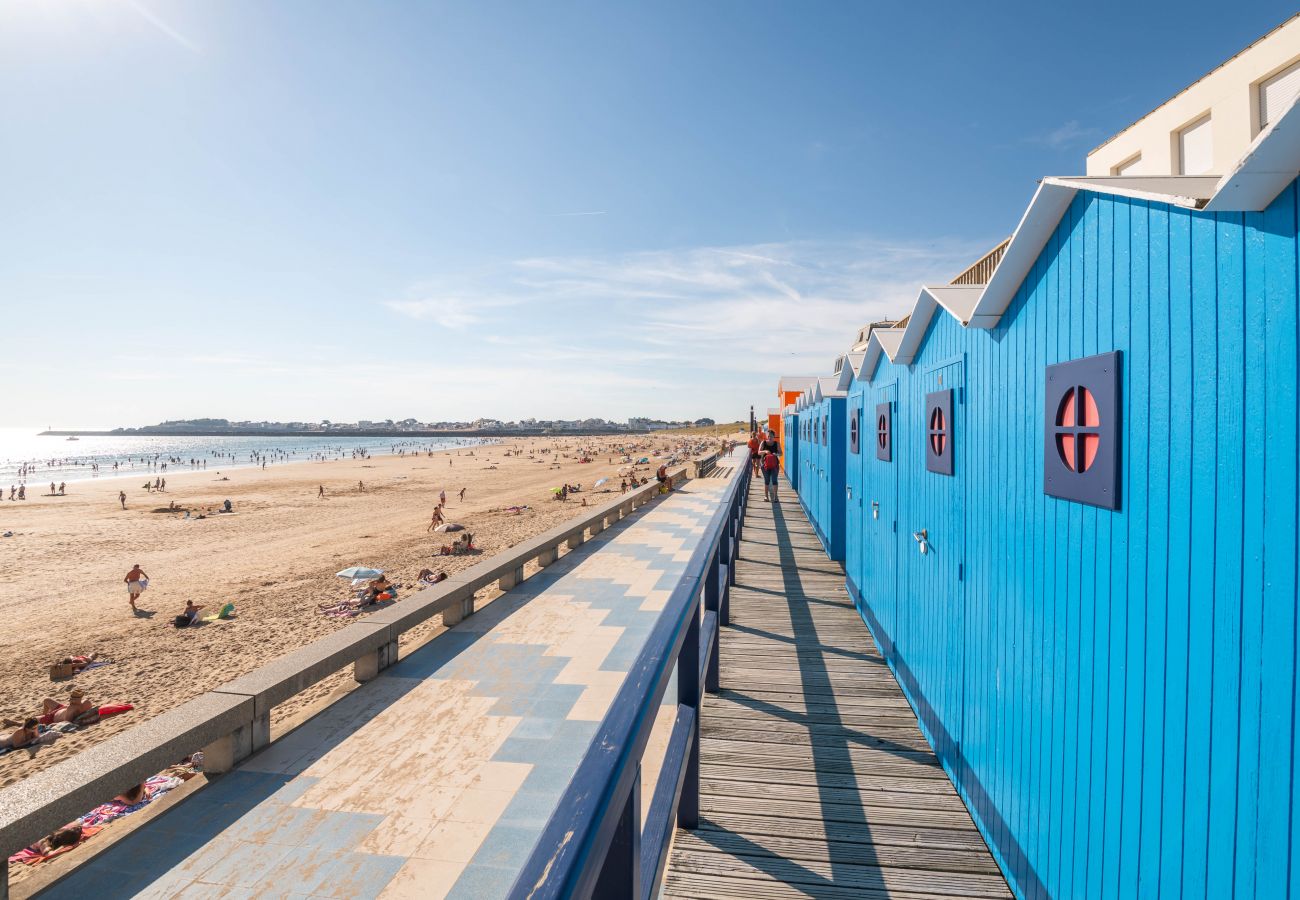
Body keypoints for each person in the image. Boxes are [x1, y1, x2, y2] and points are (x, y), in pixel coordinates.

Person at [758, 429, 781, 502]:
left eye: (771, 436)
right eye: (768, 436)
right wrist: (765, 451)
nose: (769, 437)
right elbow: (758, 452)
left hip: (775, 465)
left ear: (774, 436)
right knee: (767, 480)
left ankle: (775, 497)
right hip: (765, 465)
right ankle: (766, 496)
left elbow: (781, 453)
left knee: (774, 480)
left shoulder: (776, 443)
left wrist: (776, 454)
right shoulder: (763, 443)